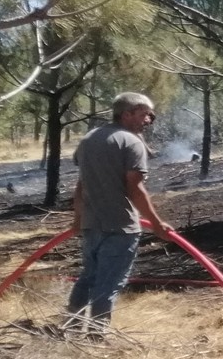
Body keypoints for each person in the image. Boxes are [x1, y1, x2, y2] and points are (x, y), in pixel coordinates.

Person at [67, 92, 173, 339]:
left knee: (87, 278)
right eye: (145, 114)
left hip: (92, 224)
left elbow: (81, 185)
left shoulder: (89, 139)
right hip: (121, 226)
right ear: (127, 114)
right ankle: (97, 337)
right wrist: (157, 224)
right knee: (108, 284)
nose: (149, 120)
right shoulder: (131, 143)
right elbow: (134, 188)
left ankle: (70, 331)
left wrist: (78, 220)